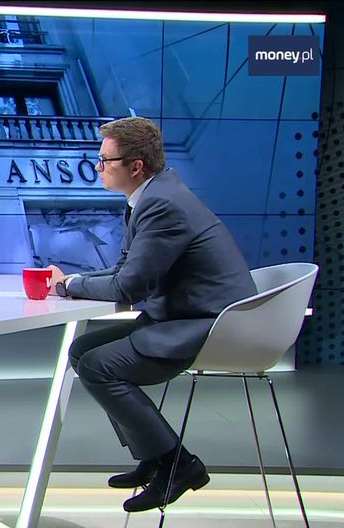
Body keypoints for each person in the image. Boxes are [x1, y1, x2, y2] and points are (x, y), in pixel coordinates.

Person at [48, 116, 257, 512]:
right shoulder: (151, 196)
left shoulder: (162, 205)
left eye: (105, 160)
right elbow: (125, 271)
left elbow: (129, 288)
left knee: (97, 366)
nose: (97, 167)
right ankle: (153, 455)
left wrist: (69, 286)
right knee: (82, 352)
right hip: (184, 314)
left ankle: (178, 465)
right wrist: (72, 281)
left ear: (136, 166)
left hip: (213, 324)